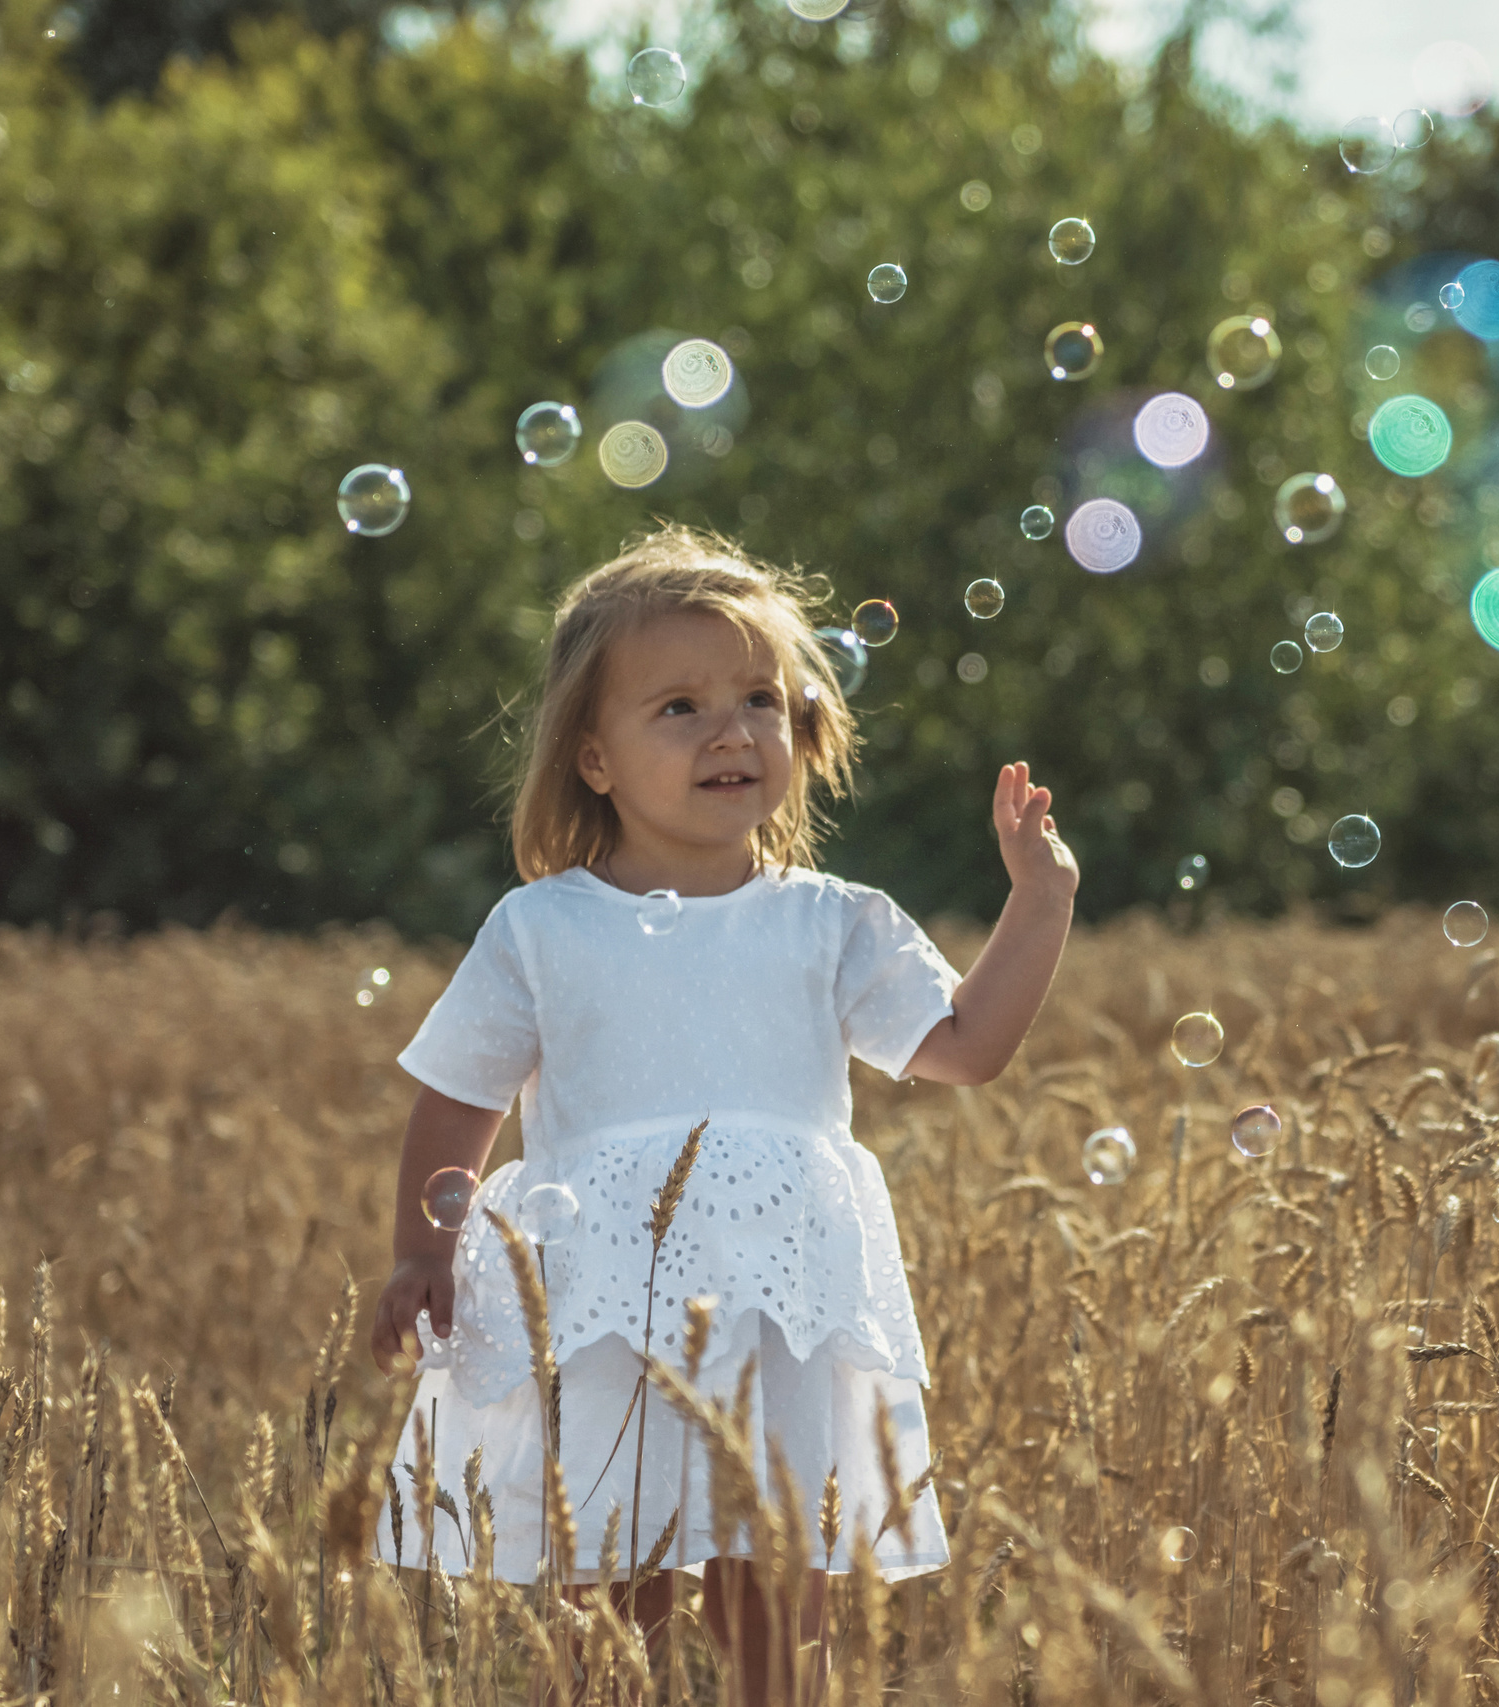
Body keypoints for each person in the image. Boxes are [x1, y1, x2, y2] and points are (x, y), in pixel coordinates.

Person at [367, 523, 1078, 1699]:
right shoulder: (542, 927)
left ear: (802, 732)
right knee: (610, 1575)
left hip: (780, 1302)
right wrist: (419, 1252)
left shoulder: (833, 920)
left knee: (778, 1567)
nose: (731, 730)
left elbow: (966, 1047)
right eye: (680, 707)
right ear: (593, 759)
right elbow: (459, 1099)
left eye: (760, 698)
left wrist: (1039, 905)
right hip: (598, 1300)